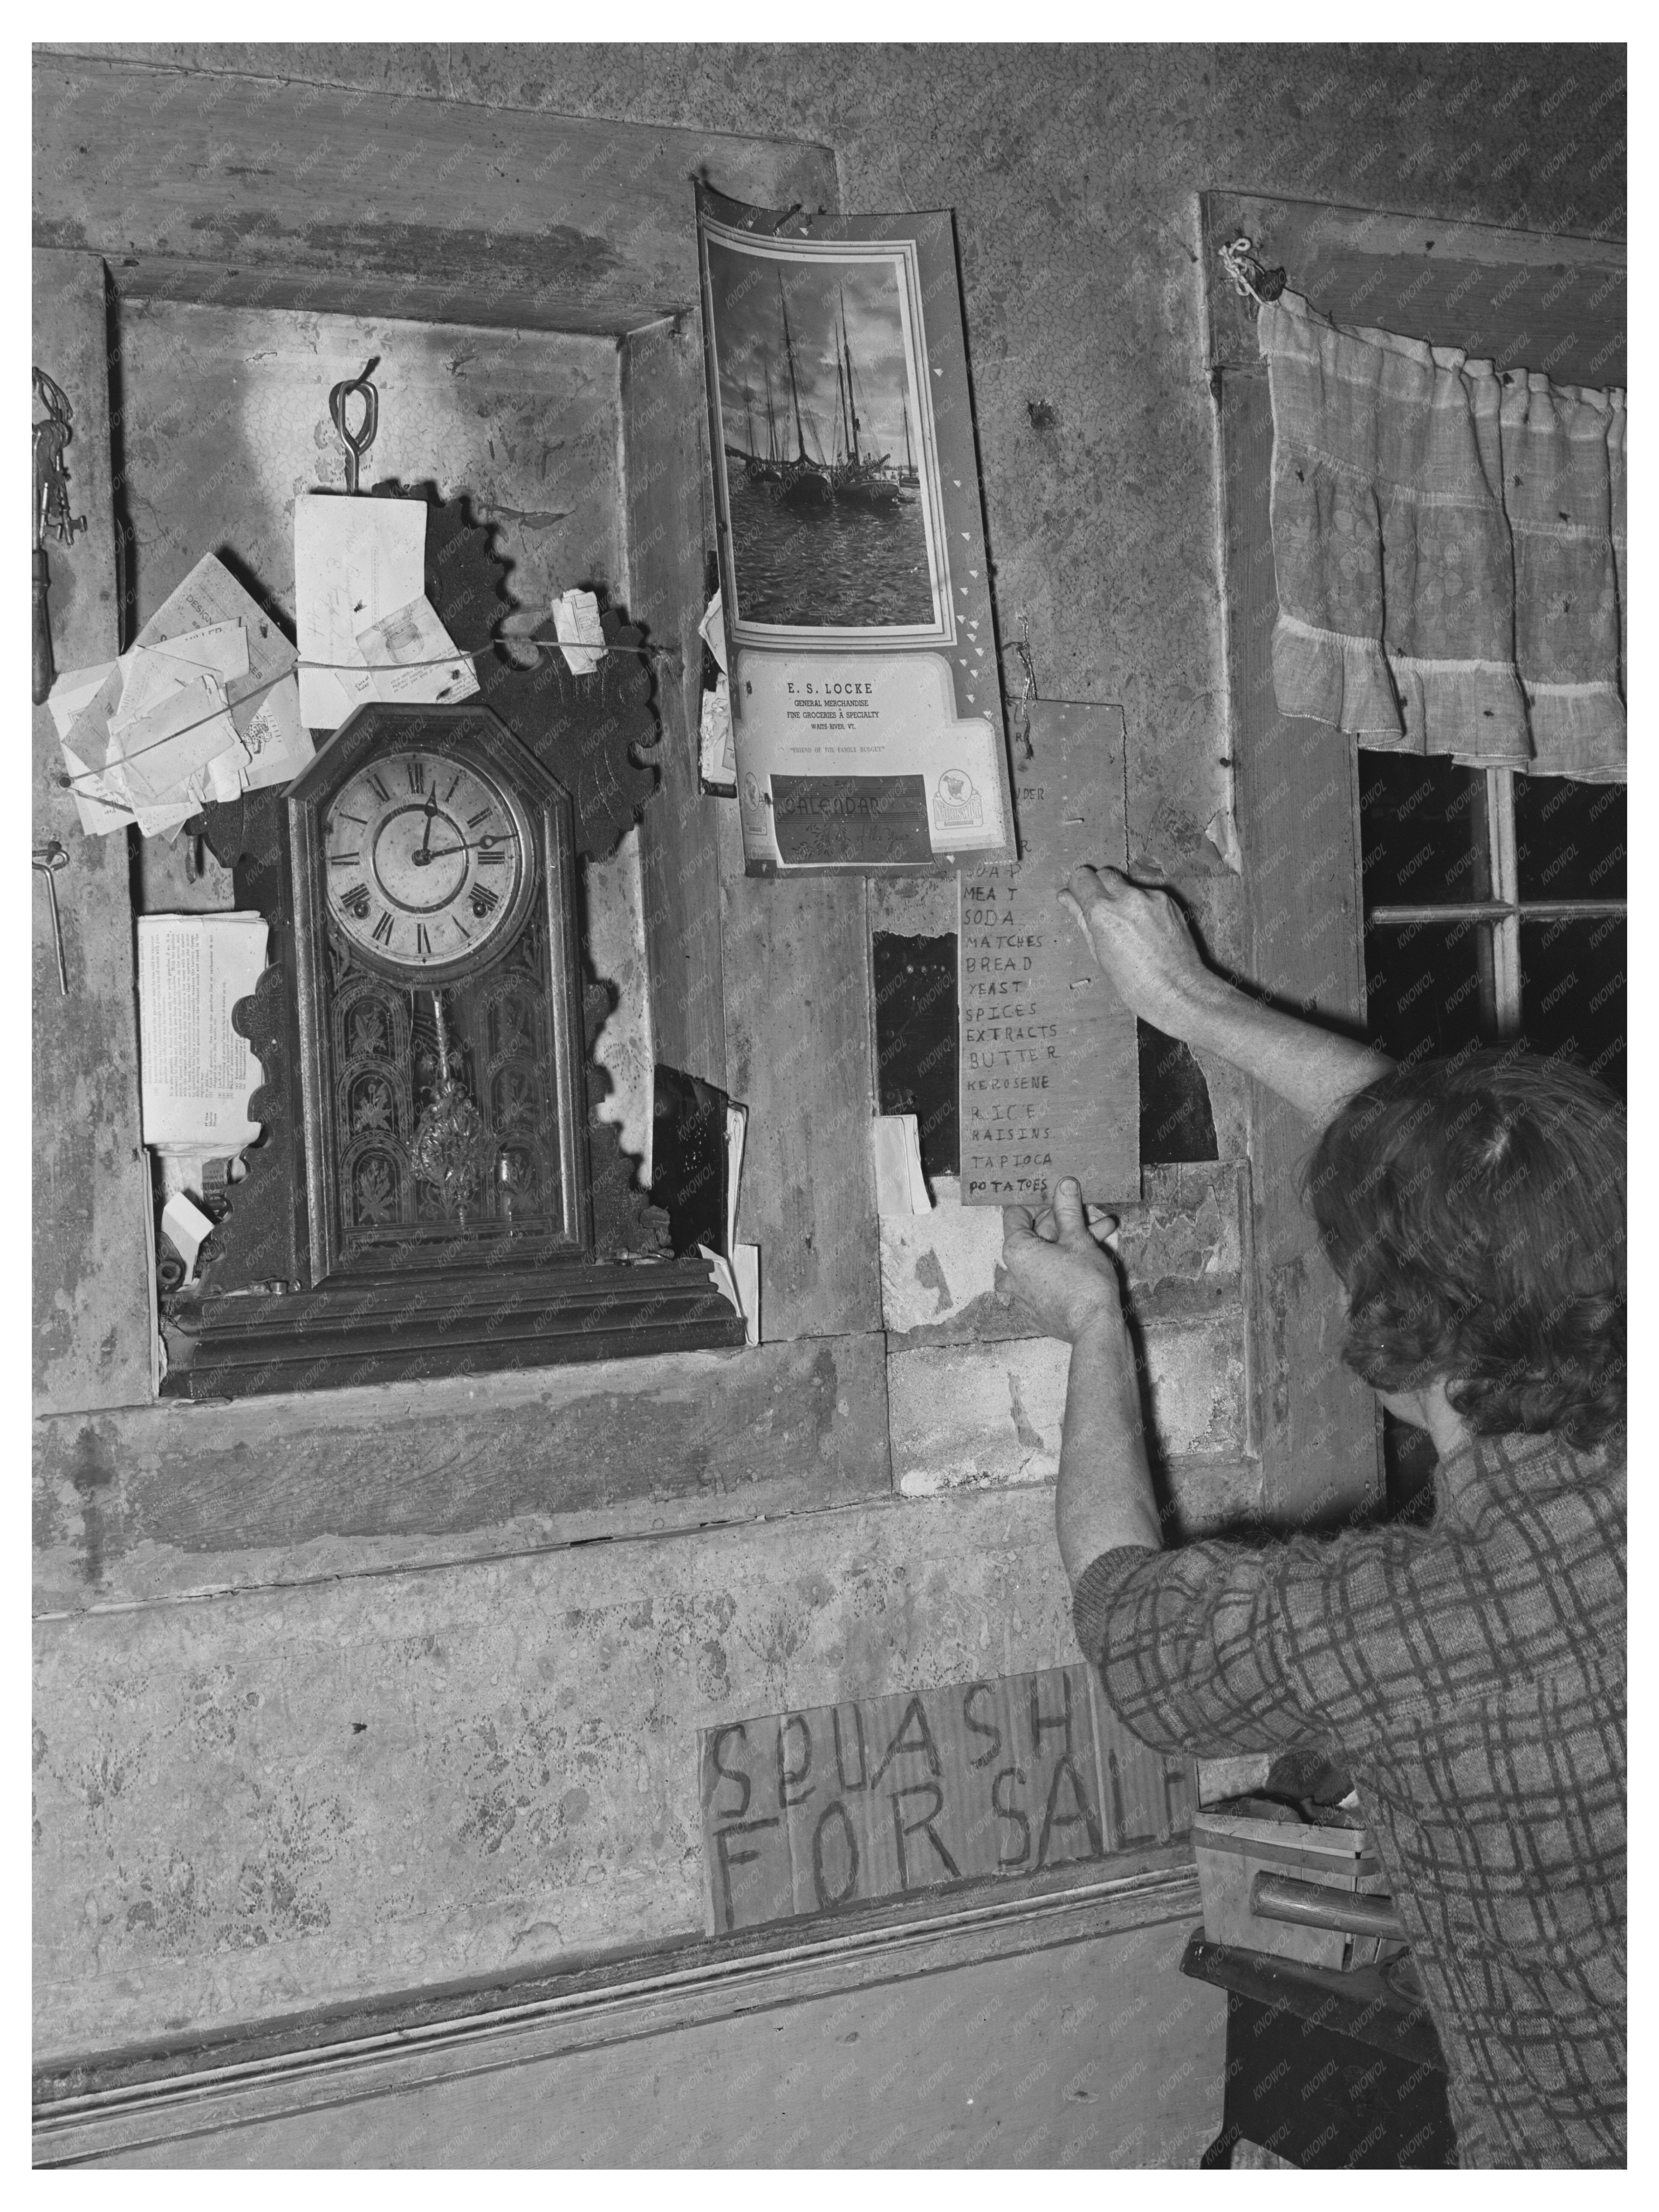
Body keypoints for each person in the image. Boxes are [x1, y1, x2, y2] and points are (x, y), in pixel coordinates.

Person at [1000, 863, 1626, 2169]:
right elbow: (1469, 1185)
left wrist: (1092, 1328)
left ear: (1391, 1335)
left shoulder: (1415, 1630)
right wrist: (1188, 1001)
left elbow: (1125, 1614)